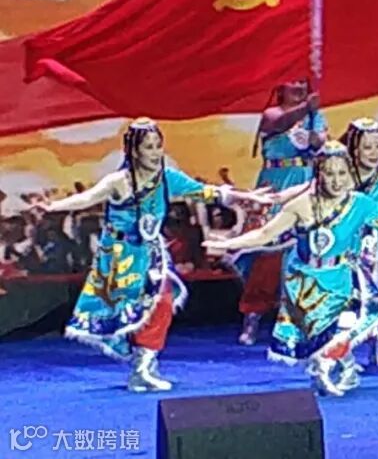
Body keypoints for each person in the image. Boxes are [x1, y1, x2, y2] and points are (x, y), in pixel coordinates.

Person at [33, 118, 271, 392]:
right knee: (125, 310)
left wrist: (250, 197)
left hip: (151, 252)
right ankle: (130, 352)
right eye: (149, 147)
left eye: (158, 146)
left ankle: (143, 366)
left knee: (162, 302)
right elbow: (87, 198)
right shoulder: (119, 181)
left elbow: (208, 193)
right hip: (121, 255)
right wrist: (53, 206)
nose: (156, 152)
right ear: (134, 151)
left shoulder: (168, 178)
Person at [203, 141, 378, 396]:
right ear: (318, 174)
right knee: (322, 334)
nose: (336, 181)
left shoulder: (361, 204)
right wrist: (228, 244)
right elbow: (265, 234)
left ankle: (327, 367)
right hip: (306, 282)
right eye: (329, 173)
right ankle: (339, 368)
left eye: (342, 173)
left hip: (342, 277)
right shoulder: (300, 205)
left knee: (353, 321)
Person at [233, 79, 326, 346]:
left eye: (302, 82)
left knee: (305, 252)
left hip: (304, 182)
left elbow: (319, 143)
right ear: (280, 88)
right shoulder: (272, 114)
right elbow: (278, 123)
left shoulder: (315, 115)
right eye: (291, 81)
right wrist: (305, 109)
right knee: (267, 252)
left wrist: (315, 133)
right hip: (275, 183)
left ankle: (296, 318)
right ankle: (252, 315)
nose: (297, 86)